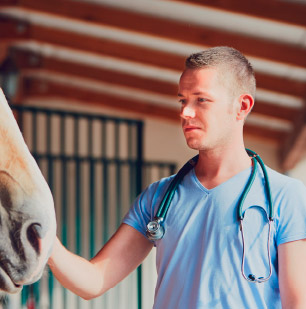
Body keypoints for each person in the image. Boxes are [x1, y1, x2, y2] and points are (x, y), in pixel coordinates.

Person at [47, 46, 306, 308]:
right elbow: (93, 281)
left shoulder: (285, 197)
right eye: (183, 100)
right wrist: (46, 241)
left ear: (242, 106)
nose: (185, 112)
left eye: (201, 100)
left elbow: (297, 303)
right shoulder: (158, 197)